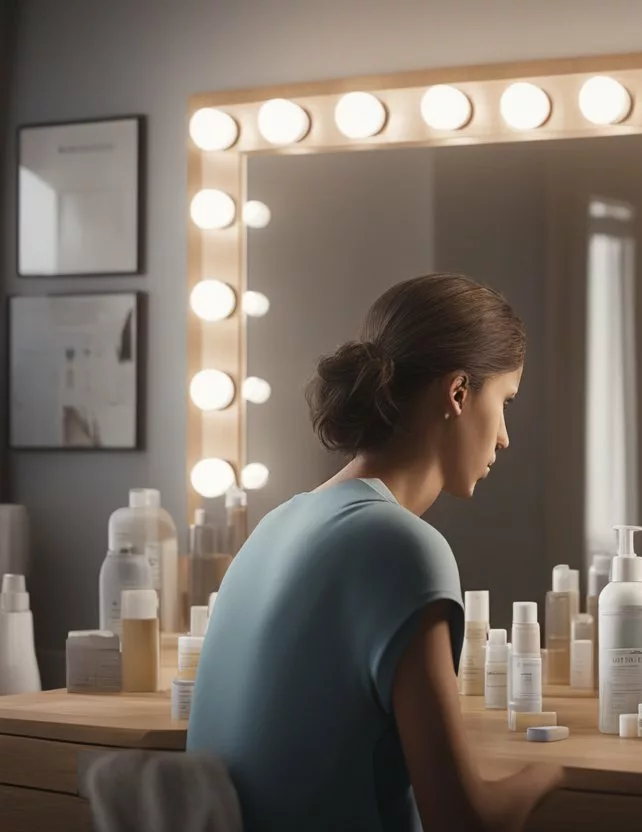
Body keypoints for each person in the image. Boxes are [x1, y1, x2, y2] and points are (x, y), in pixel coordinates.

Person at [188, 273, 564, 832]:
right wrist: (557, 772)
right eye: (504, 400)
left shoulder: (275, 526)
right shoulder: (401, 546)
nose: (505, 436)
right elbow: (463, 822)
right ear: (458, 392)